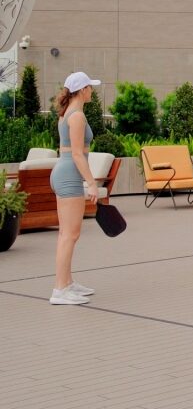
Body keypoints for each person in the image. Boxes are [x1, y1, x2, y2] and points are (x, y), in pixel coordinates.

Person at [49, 72, 101, 305]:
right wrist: (91, 182)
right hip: (69, 175)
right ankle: (60, 290)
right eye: (90, 87)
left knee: (66, 234)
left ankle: (67, 283)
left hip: (63, 171)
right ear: (82, 90)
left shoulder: (68, 113)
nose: (92, 91)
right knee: (70, 234)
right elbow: (78, 155)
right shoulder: (77, 116)